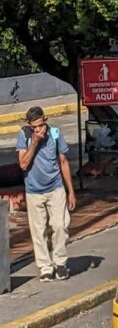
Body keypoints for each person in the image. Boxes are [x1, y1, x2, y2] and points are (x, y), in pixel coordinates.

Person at [16, 107, 77, 282]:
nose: (40, 130)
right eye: (35, 127)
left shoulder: (55, 134)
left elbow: (63, 162)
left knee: (60, 226)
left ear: (45, 121)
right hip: (34, 191)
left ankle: (60, 263)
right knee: (39, 231)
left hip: (56, 188)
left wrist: (70, 191)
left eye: (42, 125)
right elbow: (23, 164)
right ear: (29, 125)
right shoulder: (24, 136)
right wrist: (34, 142)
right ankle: (45, 267)